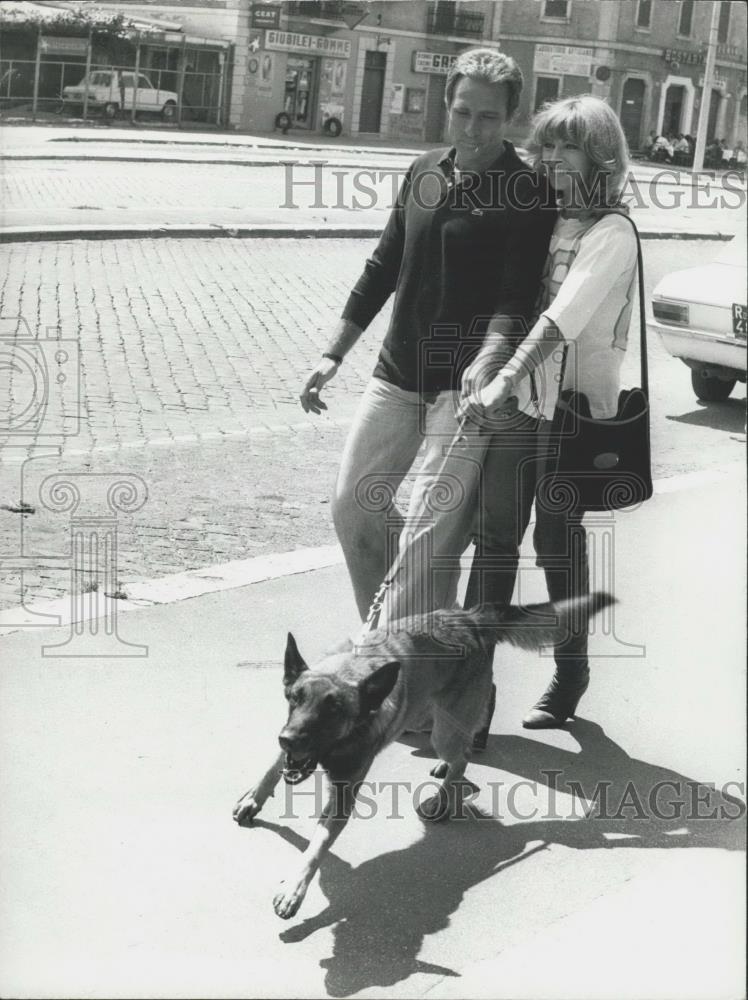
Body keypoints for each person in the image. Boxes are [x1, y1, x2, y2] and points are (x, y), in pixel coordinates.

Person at [299, 48, 555, 623]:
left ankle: (401, 678)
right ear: (448, 107)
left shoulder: (527, 190)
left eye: (488, 117)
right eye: (463, 112)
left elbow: (517, 298)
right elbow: (383, 266)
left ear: (510, 118)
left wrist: (488, 360)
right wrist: (332, 352)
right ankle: (401, 656)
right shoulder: (423, 170)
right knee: (354, 510)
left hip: (464, 396)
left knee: (426, 533)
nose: (472, 128)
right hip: (397, 375)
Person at [459, 94, 638, 729]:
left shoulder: (612, 233)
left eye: (569, 146)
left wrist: (505, 374)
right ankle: (470, 691)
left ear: (600, 157)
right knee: (495, 538)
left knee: (557, 541)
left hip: (572, 413)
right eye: (549, 145)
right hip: (521, 406)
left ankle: (571, 670)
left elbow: (563, 319)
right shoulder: (549, 218)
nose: (554, 157)